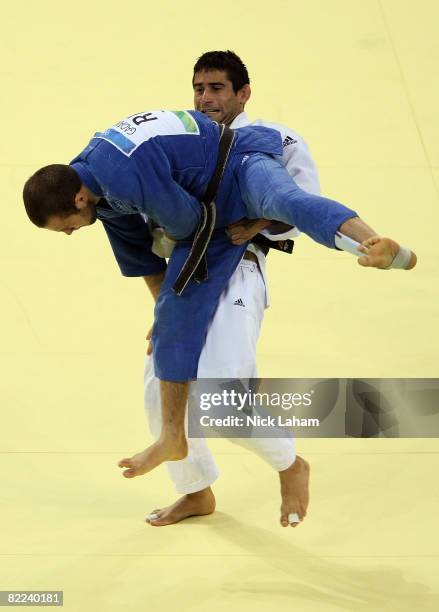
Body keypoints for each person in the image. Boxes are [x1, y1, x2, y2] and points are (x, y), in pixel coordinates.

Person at [22, 105, 417, 508]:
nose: (71, 233)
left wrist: (181, 310)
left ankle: (374, 245)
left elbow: (190, 224)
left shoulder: (120, 174)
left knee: (283, 200)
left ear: (78, 198)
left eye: (67, 225)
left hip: (241, 171)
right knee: (159, 372)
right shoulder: (97, 187)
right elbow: (142, 257)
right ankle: (194, 487)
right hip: (212, 211)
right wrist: (166, 317)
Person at [142, 50, 322, 528]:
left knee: (219, 395)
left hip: (238, 268)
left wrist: (259, 219)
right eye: (199, 88)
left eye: (217, 88)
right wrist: (164, 306)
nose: (205, 97)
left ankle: (290, 464)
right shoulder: (179, 140)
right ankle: (195, 491)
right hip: (184, 276)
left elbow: (302, 204)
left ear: (244, 93)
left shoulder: (275, 139)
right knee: (156, 389)